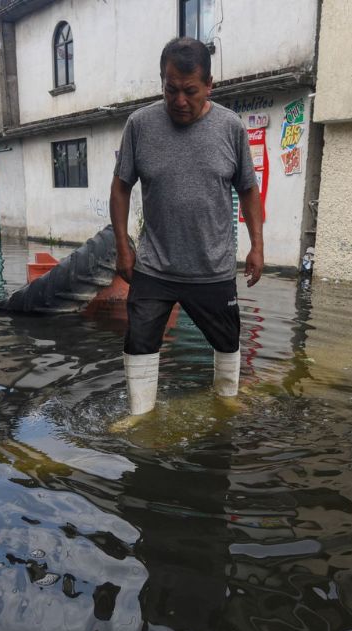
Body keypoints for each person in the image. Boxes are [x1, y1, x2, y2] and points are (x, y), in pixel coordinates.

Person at [109, 37, 265, 416]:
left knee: (227, 342)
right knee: (139, 342)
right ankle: (139, 416)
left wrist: (257, 246)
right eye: (170, 89)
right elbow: (120, 186)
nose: (179, 100)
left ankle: (226, 403)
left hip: (212, 267)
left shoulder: (229, 127)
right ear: (162, 82)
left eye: (190, 91)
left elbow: (248, 189)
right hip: (154, 265)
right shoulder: (140, 125)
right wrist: (123, 247)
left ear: (209, 85)